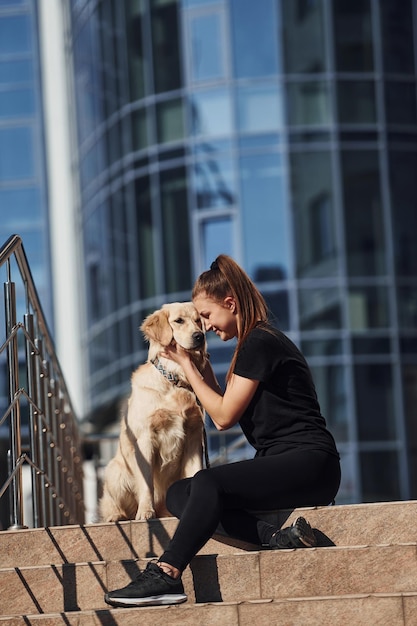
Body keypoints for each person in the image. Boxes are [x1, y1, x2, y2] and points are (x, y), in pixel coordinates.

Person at [104, 254, 341, 608]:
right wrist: (199, 365)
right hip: (281, 463)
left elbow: (224, 416)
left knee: (207, 482)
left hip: (309, 462)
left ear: (230, 303)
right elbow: (218, 410)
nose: (207, 327)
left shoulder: (259, 342)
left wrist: (186, 363)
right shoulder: (249, 347)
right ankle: (274, 537)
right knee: (178, 495)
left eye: (209, 316)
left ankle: (166, 573)